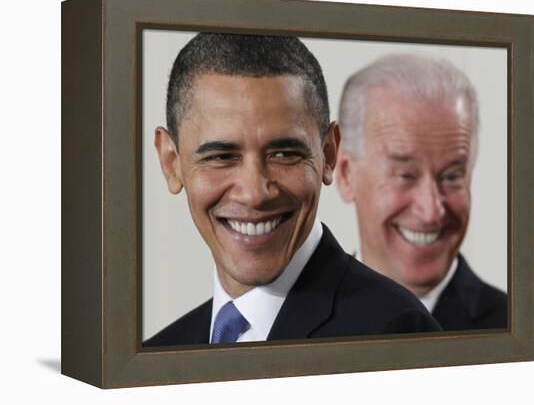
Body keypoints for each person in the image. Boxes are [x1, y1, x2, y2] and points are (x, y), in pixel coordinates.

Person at [144, 34, 440, 347]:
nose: (255, 193)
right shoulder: (159, 354)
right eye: (221, 157)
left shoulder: (395, 334)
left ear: (328, 154)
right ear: (171, 161)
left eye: (284, 154)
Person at [335, 53, 507, 331]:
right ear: (345, 174)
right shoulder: (287, 323)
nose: (431, 211)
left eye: (452, 176)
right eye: (405, 175)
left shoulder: (524, 329)